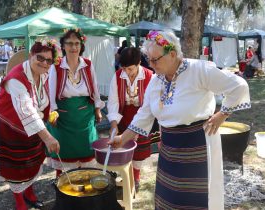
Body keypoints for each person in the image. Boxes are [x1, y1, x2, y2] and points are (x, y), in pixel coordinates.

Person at [108, 30, 251, 210]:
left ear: (173, 54)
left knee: (198, 201)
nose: (150, 64)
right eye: (149, 59)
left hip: (198, 147)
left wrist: (222, 114)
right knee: (170, 200)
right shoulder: (156, 81)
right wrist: (122, 139)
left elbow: (238, 86)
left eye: (155, 60)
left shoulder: (199, 70)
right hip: (169, 150)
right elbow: (143, 115)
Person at [0, 39, 60, 210]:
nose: (44, 63)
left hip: (33, 126)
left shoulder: (44, 74)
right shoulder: (16, 78)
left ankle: (29, 191)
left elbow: (40, 101)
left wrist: (49, 114)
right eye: (40, 58)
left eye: (48, 60)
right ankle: (19, 201)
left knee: (31, 161)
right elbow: (27, 111)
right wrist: (48, 137)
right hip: (10, 125)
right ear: (31, 55)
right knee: (16, 165)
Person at [47, 28, 104, 176]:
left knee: (87, 148)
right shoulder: (56, 66)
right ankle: (63, 185)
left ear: (81, 45)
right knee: (65, 150)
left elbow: (95, 89)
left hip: (85, 114)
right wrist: (53, 111)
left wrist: (97, 109)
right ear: (63, 46)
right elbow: (51, 91)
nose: (73, 47)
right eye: (70, 43)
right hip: (63, 116)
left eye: (77, 43)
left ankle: (86, 179)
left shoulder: (88, 65)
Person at [107, 47, 159, 191]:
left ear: (139, 63)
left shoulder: (150, 76)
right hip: (124, 117)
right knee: (124, 148)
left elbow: (152, 104)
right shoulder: (117, 76)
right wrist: (113, 123)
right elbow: (113, 102)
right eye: (124, 68)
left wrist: (138, 127)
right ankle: (126, 175)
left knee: (138, 152)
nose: (126, 72)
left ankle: (135, 177)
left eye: (130, 69)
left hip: (144, 117)